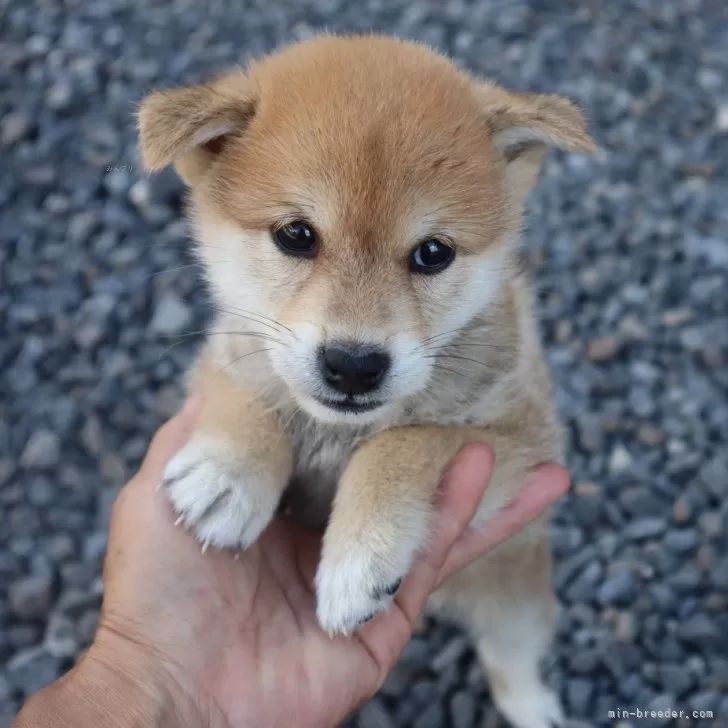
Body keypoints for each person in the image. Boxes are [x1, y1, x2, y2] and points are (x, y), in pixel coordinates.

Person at [14, 395, 569, 728]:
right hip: (278, 586)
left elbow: (517, 439)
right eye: (296, 237)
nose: (355, 327)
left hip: (487, 564)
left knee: (516, 609)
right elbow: (229, 373)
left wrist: (149, 679)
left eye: (429, 254)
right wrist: (246, 441)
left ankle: (515, 678)